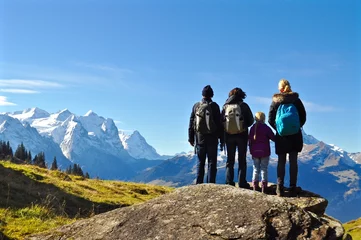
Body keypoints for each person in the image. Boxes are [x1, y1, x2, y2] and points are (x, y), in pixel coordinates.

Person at [268, 79, 306, 197]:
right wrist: (296, 127)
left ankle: (279, 188)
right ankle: (293, 187)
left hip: (281, 136)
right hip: (295, 135)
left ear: (280, 88)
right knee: (293, 161)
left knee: (281, 161)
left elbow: (270, 119)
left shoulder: (276, 101)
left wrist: (279, 128)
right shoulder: (296, 100)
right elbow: (303, 116)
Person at [188, 85, 223, 184]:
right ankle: (211, 183)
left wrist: (191, 138)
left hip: (200, 137)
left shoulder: (196, 106)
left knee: (200, 161)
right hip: (212, 137)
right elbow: (219, 123)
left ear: (202, 94)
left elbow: (191, 123)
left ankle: (199, 183)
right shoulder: (215, 106)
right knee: (212, 161)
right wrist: (221, 138)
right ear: (212, 95)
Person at [222, 88, 254, 188]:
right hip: (242, 135)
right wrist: (243, 125)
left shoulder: (225, 106)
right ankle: (241, 182)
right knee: (242, 159)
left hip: (229, 135)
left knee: (230, 160)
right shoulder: (243, 106)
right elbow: (250, 121)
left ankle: (228, 182)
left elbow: (221, 121)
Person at [249, 112, 275, 193]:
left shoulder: (252, 128)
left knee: (255, 168)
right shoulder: (266, 128)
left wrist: (251, 151)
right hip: (264, 152)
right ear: (264, 118)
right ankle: (264, 186)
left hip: (255, 152)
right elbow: (273, 137)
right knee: (264, 169)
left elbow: (250, 141)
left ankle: (255, 185)